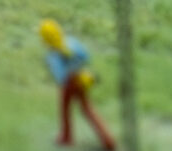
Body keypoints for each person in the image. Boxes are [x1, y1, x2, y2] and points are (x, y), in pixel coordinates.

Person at [40, 20, 116, 149]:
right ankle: (108, 141)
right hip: (81, 78)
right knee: (87, 109)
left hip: (68, 83)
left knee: (65, 110)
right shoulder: (71, 41)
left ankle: (67, 137)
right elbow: (86, 56)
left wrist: (64, 78)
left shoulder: (52, 55)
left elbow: (60, 77)